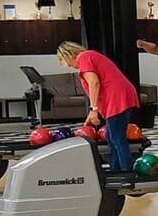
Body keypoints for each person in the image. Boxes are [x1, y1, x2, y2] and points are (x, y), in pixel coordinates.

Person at [56, 41, 140, 172]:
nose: (70, 66)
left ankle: (127, 171)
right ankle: (115, 169)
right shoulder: (90, 56)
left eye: (66, 63)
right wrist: (92, 112)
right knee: (112, 138)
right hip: (118, 97)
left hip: (117, 98)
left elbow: (94, 83)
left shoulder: (84, 58)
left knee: (117, 138)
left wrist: (93, 109)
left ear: (68, 55)